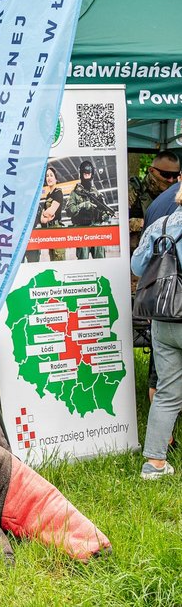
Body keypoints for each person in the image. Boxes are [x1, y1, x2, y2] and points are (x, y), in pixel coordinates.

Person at [130, 185, 182, 479]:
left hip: (164, 319)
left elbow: (137, 266)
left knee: (167, 393)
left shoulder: (162, 224)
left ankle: (154, 464)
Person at [65, 160, 111, 259]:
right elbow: (69, 211)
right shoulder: (75, 193)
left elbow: (103, 210)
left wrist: (105, 215)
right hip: (82, 231)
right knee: (83, 261)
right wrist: (82, 205)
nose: (87, 176)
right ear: (81, 174)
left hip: (97, 230)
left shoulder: (96, 193)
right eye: (85, 174)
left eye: (89, 174)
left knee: (100, 260)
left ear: (92, 175)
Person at [24, 166, 66, 263]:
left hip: (56, 228)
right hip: (49, 229)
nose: (49, 178)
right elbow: (42, 218)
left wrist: (46, 214)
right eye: (47, 176)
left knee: (59, 258)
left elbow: (50, 212)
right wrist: (46, 217)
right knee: (52, 258)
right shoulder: (48, 195)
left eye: (51, 175)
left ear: (56, 178)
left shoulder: (58, 192)